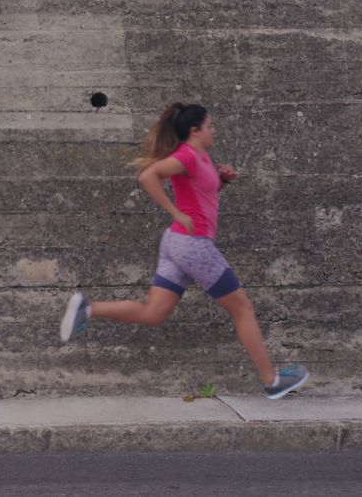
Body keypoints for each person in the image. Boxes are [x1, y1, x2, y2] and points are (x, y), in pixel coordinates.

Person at [59, 102, 308, 400]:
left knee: (153, 313)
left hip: (177, 244)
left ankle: (88, 308)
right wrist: (174, 212)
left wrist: (223, 182)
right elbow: (148, 177)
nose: (214, 130)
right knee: (243, 310)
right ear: (195, 130)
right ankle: (272, 380)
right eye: (210, 126)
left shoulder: (201, 157)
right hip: (193, 245)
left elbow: (202, 198)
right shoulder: (187, 155)